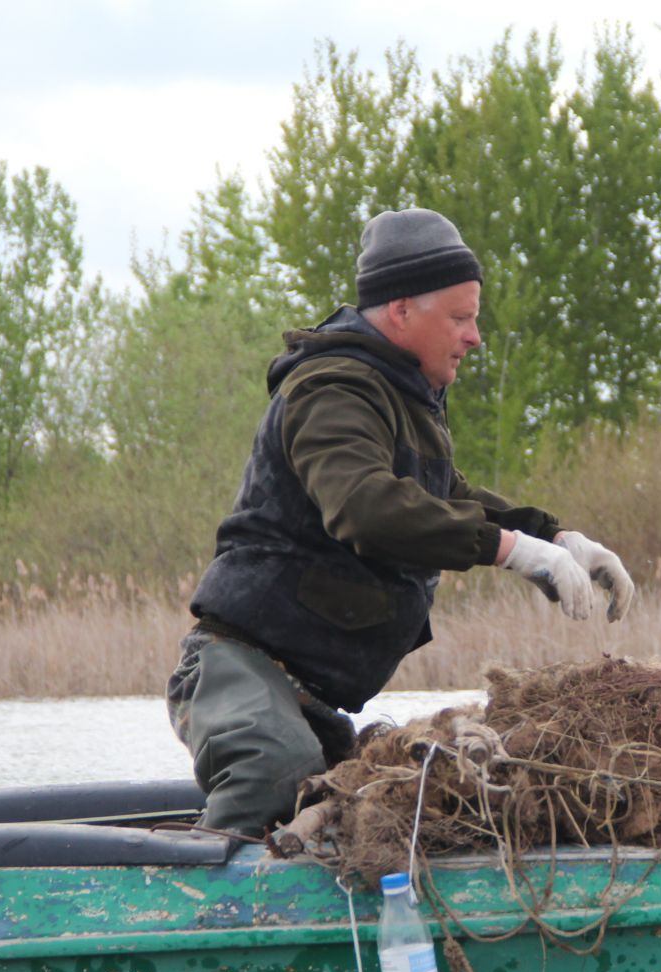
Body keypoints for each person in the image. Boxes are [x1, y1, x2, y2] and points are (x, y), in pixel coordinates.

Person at [166, 208, 634, 839]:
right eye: (461, 318)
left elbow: (447, 496)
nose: (474, 337)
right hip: (236, 670)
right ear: (402, 310)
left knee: (379, 806)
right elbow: (368, 507)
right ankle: (205, 921)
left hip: (304, 698)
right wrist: (510, 550)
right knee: (275, 776)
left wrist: (556, 538)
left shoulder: (401, 397)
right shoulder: (331, 389)